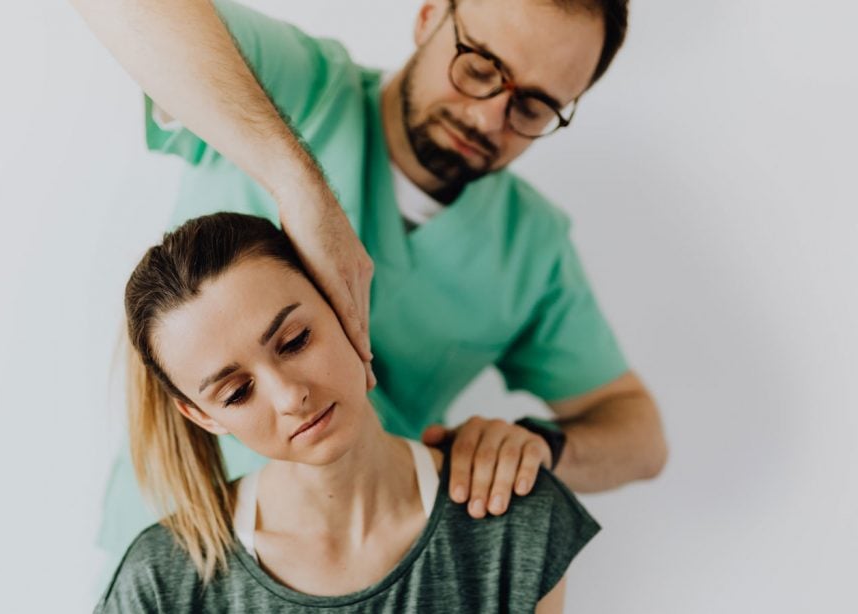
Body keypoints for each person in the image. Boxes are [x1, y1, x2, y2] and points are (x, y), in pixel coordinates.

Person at [73, 0, 668, 563]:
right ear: (432, 15)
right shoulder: (302, 88)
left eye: (533, 107)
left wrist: (541, 446)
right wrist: (297, 182)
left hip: (371, 564)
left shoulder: (531, 248)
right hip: (187, 539)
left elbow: (640, 437)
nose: (489, 117)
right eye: (481, 67)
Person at [96, 212, 599, 613]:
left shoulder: (512, 521)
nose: (291, 396)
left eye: (294, 341)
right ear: (204, 416)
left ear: (344, 307)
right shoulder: (162, 582)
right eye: (236, 393)